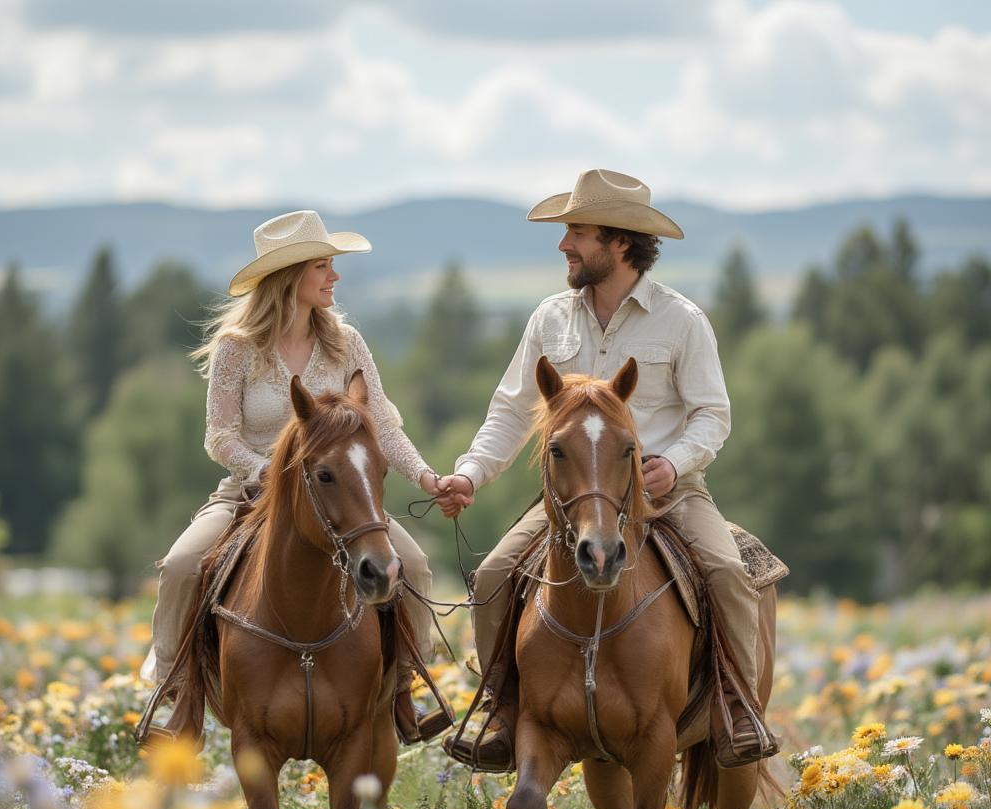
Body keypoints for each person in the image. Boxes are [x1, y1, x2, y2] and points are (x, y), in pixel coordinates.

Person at [434, 168, 777, 769]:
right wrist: (469, 473)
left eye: (577, 232)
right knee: (491, 578)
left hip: (666, 493)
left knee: (727, 572)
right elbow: (512, 412)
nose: (564, 244)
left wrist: (672, 463)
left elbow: (711, 416)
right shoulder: (549, 319)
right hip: (572, 498)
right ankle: (501, 712)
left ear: (620, 242)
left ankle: (735, 706)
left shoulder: (682, 320)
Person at [141, 209, 450, 743]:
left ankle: (404, 690)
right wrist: (267, 472)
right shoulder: (237, 347)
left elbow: (383, 426)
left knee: (416, 567)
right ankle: (180, 695)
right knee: (183, 565)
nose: (335, 277)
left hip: (339, 495)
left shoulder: (346, 342)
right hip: (251, 489)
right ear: (292, 277)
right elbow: (219, 436)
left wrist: (426, 478)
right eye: (324, 267)